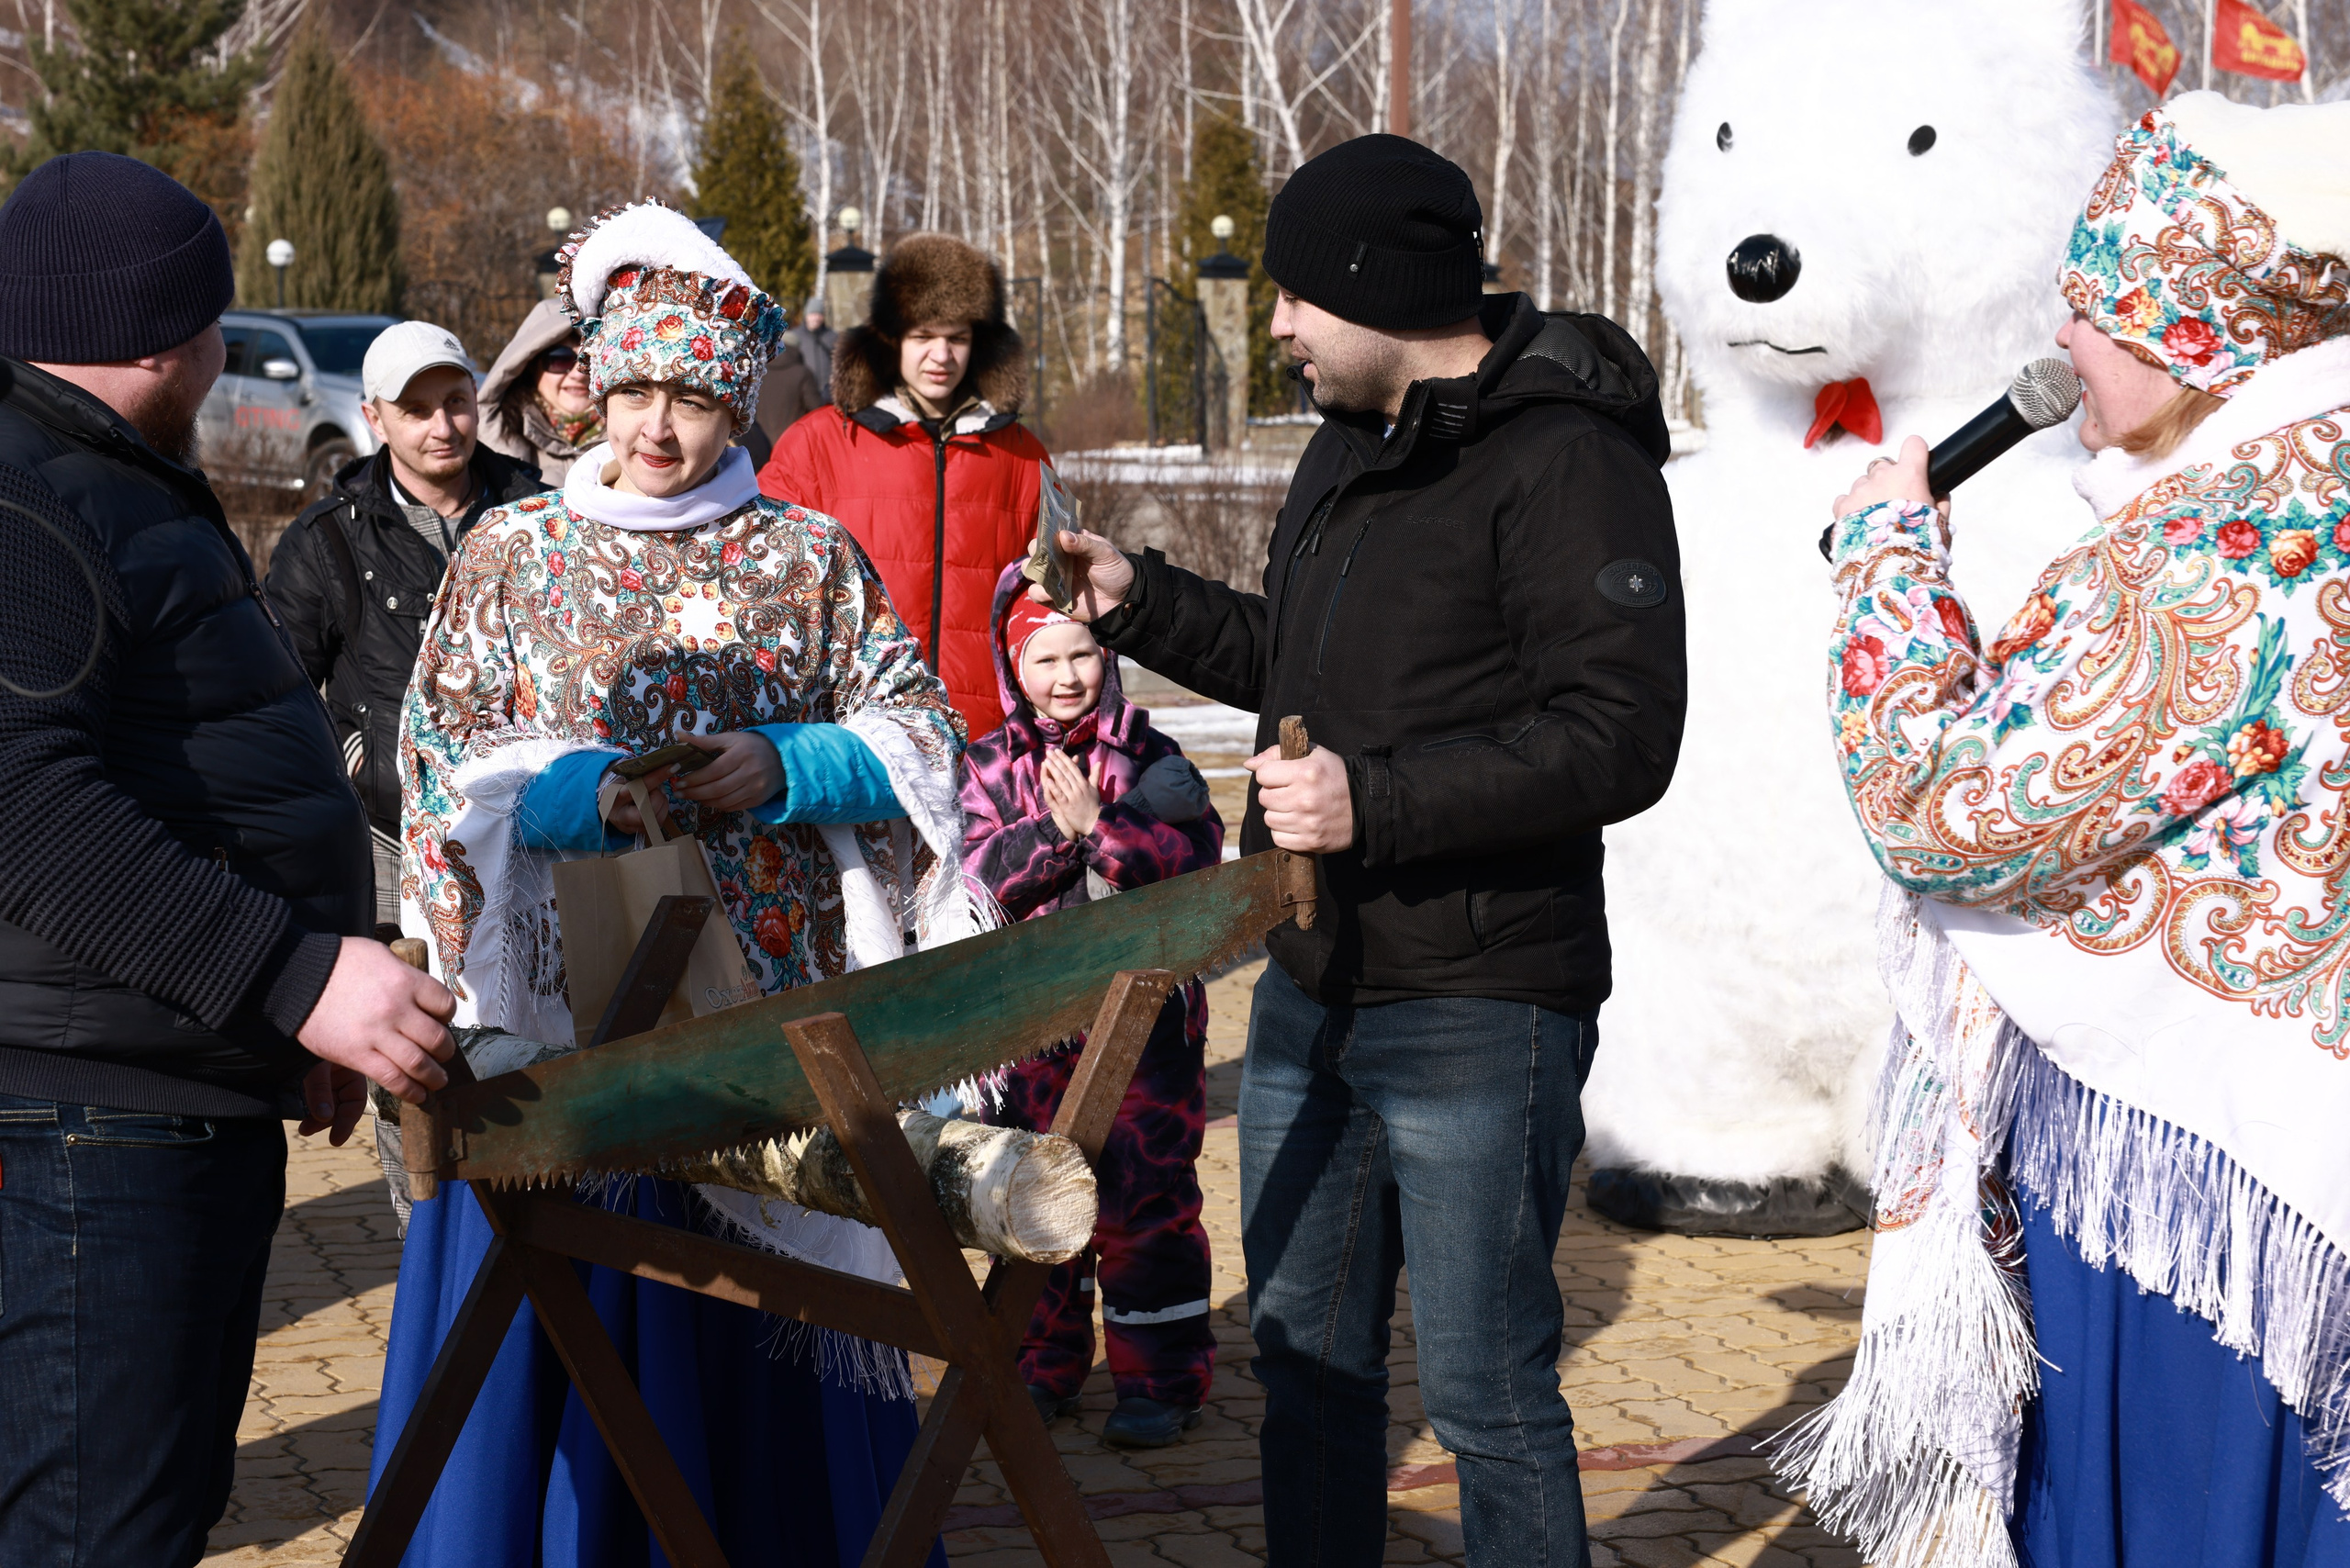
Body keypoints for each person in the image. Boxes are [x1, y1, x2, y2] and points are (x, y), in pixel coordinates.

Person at [1044, 135, 1686, 1567]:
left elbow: (1623, 732)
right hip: (1311, 992)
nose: (1273, 325)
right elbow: (1306, 676)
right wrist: (1140, 601)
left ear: (1374, 287)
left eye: (1292, 296)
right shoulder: (1345, 445)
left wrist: (1377, 804)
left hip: (1482, 1003)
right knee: (1309, 1372)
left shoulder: (1568, 461)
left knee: (1486, 1399)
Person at [374, 199, 986, 1567]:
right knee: (565, 1365)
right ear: (589, 382)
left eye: (695, 397)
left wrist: (791, 766)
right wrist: (565, 799)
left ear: (738, 396)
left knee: (767, 1415)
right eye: (634, 386)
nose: (658, 426)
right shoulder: (511, 555)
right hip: (566, 1039)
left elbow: (923, 736)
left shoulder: (806, 557)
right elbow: (433, 764)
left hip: (765, 1033)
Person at [1784, 95, 2350, 1568]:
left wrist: (1889, 558)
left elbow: (1952, 806)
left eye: (2095, 307)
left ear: (2203, 330)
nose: (2063, 344)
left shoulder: (2227, 544)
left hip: (2208, 1199)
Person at [0, 151, 455, 1565]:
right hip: (89, 1136)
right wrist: (291, 972)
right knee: (98, 1535)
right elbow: (22, 804)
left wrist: (269, 1021)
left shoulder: (100, 475)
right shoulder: (32, 503)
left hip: (152, 1102)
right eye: (210, 305)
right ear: (161, 333)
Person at [961, 567, 1223, 1449]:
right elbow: (977, 883)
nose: (1068, 676)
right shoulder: (989, 766)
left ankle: (1164, 1381)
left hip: (1147, 1027)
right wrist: (1058, 834)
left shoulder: (1151, 753)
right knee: (1034, 1203)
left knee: (1146, 1205)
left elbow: (1195, 869)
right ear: (1012, 663)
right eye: (1045, 658)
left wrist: (1103, 832)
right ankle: (1042, 1368)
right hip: (1032, 1029)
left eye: (1083, 653)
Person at [270, 321, 548, 943]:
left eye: (455, 402)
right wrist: (348, 769)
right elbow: (275, 695)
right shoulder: (326, 540)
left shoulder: (538, 516)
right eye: (416, 411)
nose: (444, 428)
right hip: (386, 842)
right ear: (374, 417)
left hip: (533, 829)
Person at [758, 234, 1048, 739]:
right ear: (891, 339)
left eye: (957, 337)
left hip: (987, 743)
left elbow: (1051, 601)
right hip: (852, 738)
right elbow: (758, 581)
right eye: (923, 336)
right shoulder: (818, 443)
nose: (942, 355)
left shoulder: (1022, 455)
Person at [478, 296, 604, 486]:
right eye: (559, 359)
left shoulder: (640, 441)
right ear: (529, 365)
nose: (579, 374)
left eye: (591, 359)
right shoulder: (491, 441)